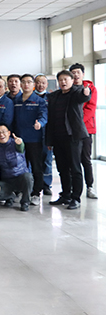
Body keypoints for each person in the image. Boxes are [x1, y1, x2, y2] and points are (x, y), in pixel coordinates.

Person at [47, 70, 91, 210]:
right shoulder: (55, 96)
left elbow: (84, 97)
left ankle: (76, 198)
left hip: (73, 137)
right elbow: (50, 120)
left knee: (75, 168)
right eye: (61, 80)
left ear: (72, 81)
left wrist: (86, 92)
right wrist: (49, 141)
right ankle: (65, 195)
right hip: (58, 137)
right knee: (62, 168)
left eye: (66, 79)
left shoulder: (76, 93)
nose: (63, 82)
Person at [13, 74, 47, 206]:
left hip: (34, 139)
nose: (26, 84)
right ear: (21, 85)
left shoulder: (39, 100)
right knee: (20, 166)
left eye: (29, 82)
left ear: (33, 85)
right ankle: (21, 191)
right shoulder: (16, 100)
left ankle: (36, 193)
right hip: (19, 139)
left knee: (36, 167)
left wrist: (40, 124)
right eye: (24, 82)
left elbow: (44, 116)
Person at [0, 124, 33, 212]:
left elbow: (21, 149)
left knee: (28, 177)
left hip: (20, 177)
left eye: (3, 132)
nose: (1, 135)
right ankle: (11, 196)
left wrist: (20, 143)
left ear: (9, 133)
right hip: (6, 180)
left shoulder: (16, 142)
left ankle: (25, 202)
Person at [70, 63, 98, 199]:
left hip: (86, 128)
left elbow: (90, 108)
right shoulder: (68, 89)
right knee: (72, 160)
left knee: (85, 159)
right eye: (73, 73)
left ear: (83, 74)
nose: (76, 75)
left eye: (78, 72)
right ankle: (73, 188)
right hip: (70, 130)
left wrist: (77, 122)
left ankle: (90, 186)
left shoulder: (90, 88)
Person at [35, 73, 53, 195]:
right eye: (38, 82)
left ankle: (46, 185)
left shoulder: (51, 98)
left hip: (47, 133)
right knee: (34, 161)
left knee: (47, 160)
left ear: (47, 84)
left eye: (43, 83)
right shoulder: (30, 97)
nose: (40, 85)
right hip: (33, 134)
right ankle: (35, 184)